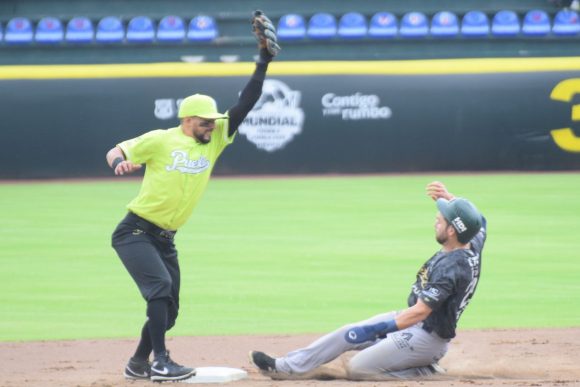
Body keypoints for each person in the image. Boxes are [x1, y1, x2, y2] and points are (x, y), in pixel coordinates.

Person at [105, 10, 280, 382]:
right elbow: (116, 150)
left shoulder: (215, 139)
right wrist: (120, 161)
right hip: (135, 231)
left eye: (214, 122)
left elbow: (246, 102)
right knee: (160, 290)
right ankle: (160, 362)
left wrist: (262, 61)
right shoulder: (161, 139)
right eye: (205, 122)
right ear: (187, 121)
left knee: (170, 309)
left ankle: (137, 362)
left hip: (166, 238)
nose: (211, 126)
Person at [250, 181, 487, 381]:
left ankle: (424, 370)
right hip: (414, 321)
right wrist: (452, 200)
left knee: (358, 368)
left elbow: (419, 313)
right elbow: (480, 222)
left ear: (453, 231)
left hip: (427, 337)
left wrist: (375, 331)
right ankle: (285, 367)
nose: (437, 218)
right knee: (348, 333)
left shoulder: (453, 268)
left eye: (442, 218)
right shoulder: (471, 241)